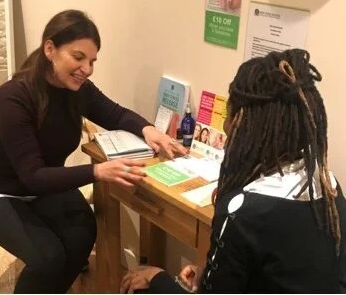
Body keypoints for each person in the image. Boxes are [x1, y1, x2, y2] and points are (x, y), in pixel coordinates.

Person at [0, 9, 187, 293]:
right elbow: (33, 175)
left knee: (83, 233)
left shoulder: (77, 89)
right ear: (50, 49)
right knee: (47, 257)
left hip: (45, 188)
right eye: (78, 57)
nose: (87, 68)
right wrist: (98, 170)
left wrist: (151, 131)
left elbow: (115, 114)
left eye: (92, 61)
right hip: (0, 192)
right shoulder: (14, 97)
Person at [120, 49, 346, 293]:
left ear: (244, 125)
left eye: (230, 114)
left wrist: (157, 278)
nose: (227, 126)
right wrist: (210, 268)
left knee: (143, 285)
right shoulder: (329, 185)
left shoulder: (243, 212)